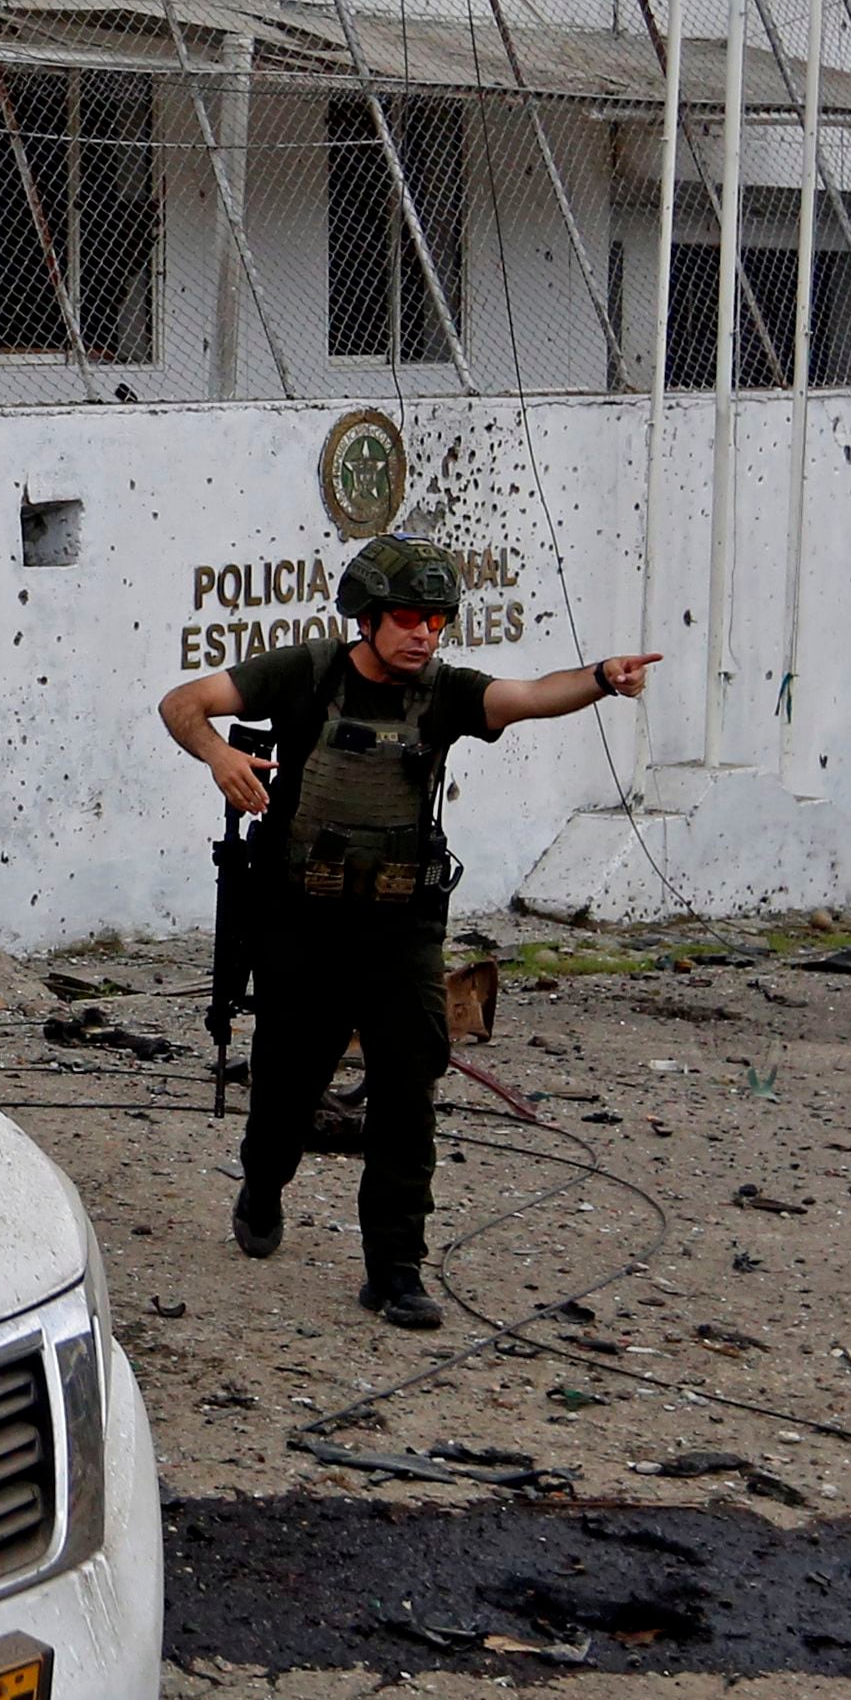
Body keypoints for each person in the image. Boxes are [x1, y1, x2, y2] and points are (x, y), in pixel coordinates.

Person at [155, 535, 657, 1330]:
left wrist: (600, 680)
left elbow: (527, 695)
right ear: (364, 616)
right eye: (404, 617)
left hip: (400, 931)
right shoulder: (304, 674)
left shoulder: (446, 693)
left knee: (407, 1092)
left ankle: (394, 1270)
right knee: (285, 1085)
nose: (422, 633)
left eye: (435, 619)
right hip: (302, 923)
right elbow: (182, 702)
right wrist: (220, 756)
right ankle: (261, 1181)